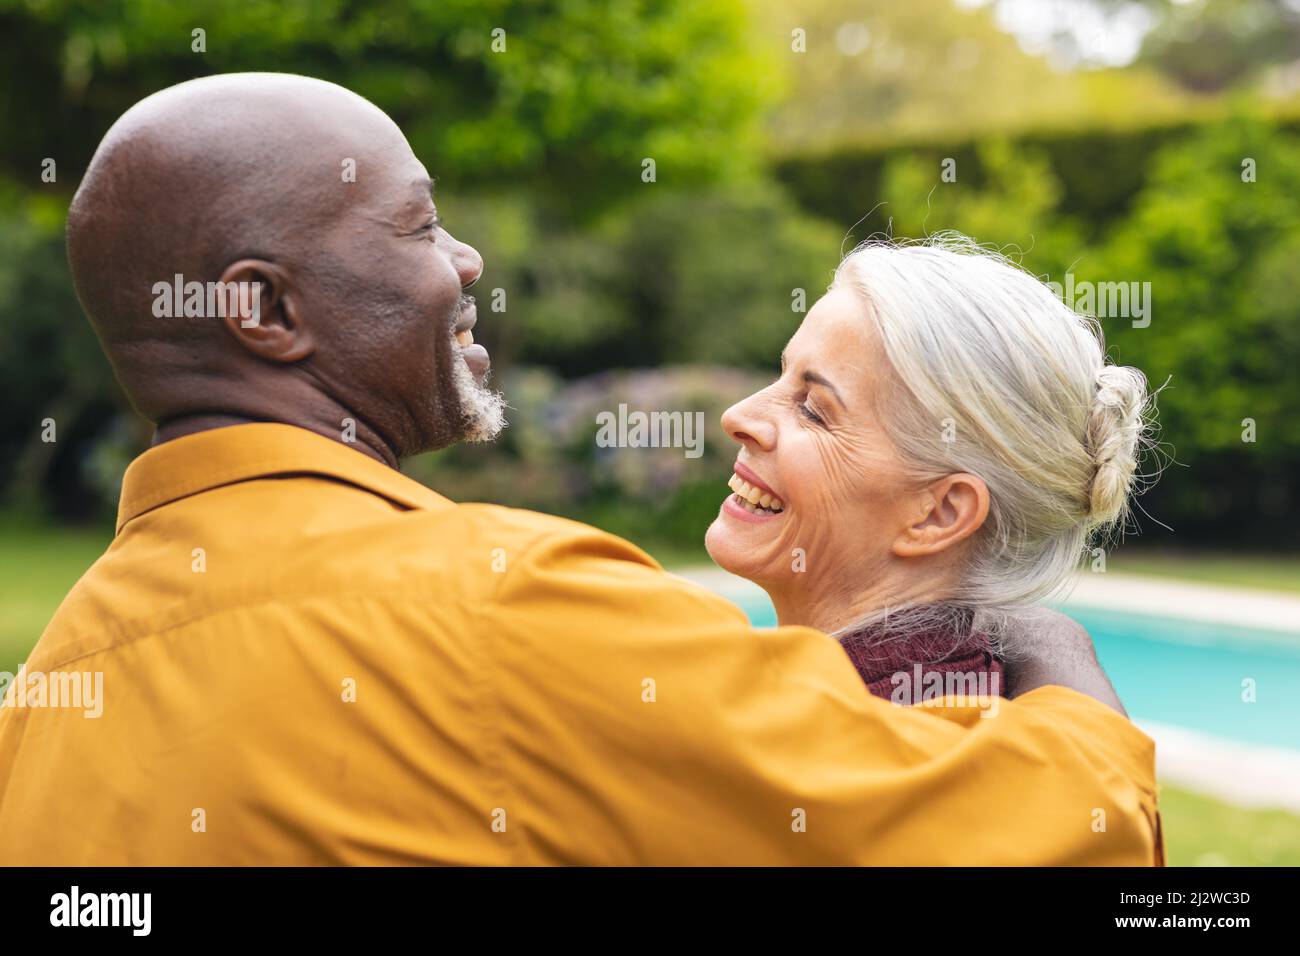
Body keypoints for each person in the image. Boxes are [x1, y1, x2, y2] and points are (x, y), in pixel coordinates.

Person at [0, 73, 1161, 865]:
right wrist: (1058, 655)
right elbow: (1044, 828)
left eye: (811, 399)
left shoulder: (42, 706)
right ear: (261, 309)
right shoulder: (493, 610)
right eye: (414, 228)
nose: (466, 259)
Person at [706, 237, 1153, 711]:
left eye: (815, 411)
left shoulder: (851, 747)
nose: (738, 416)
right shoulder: (981, 702)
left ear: (939, 514)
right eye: (782, 374)